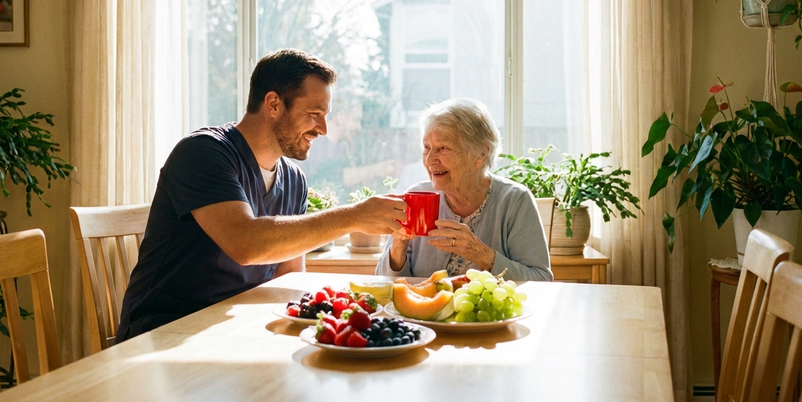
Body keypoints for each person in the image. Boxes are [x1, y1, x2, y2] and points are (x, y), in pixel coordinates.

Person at [117, 48, 407, 341]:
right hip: (166, 332)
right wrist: (353, 217)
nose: (322, 129)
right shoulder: (202, 153)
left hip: (236, 330)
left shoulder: (294, 181)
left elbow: (290, 275)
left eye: (325, 116)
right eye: (313, 114)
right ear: (273, 104)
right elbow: (246, 244)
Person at [375, 98, 552, 282]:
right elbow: (383, 284)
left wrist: (482, 254)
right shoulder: (417, 196)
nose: (429, 161)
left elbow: (541, 280)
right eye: (427, 147)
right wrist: (398, 247)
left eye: (443, 148)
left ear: (481, 154)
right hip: (426, 310)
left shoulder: (514, 201)